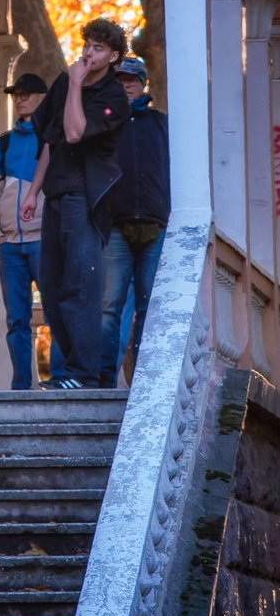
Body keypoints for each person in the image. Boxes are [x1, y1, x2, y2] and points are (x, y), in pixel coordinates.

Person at [21, 18, 130, 390]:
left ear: (113, 57)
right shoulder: (65, 82)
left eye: (98, 48)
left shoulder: (114, 97)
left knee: (80, 287)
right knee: (52, 289)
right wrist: (33, 192)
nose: (88, 54)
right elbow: (52, 141)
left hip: (85, 198)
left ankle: (83, 374)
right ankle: (70, 371)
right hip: (55, 195)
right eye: (87, 45)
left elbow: (73, 131)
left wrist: (74, 86)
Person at [0, 73, 65, 389]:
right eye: (15, 94)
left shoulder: (54, 138)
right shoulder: (5, 142)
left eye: (26, 94)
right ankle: (21, 385)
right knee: (16, 319)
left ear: (42, 98)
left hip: (43, 241)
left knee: (55, 312)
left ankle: (60, 377)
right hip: (10, 246)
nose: (19, 99)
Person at [98, 56, 170, 388]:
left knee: (148, 306)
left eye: (132, 80)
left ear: (143, 84)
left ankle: (142, 378)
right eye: (120, 80)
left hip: (155, 225)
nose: (126, 85)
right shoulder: (104, 123)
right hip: (115, 225)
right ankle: (103, 378)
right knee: (109, 306)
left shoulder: (161, 124)